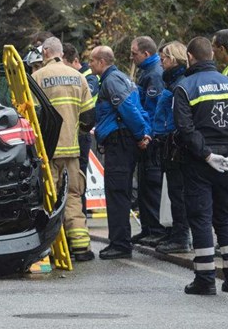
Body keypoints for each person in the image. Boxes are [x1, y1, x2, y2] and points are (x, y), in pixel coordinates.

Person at [173, 37, 228, 295]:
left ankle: (205, 279)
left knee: (200, 219)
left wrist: (206, 155)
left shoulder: (185, 87)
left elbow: (185, 128)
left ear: (190, 57)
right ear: (212, 56)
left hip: (199, 162)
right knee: (225, 220)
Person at [32, 37, 96, 261]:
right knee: (72, 197)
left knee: (47, 199)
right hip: (72, 151)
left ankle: (51, 250)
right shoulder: (78, 77)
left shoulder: (37, 77)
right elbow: (89, 117)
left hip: (47, 152)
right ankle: (81, 247)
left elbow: (30, 115)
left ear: (47, 52)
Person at [89, 46, 151, 260]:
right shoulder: (123, 78)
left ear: (102, 61)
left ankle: (120, 244)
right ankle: (120, 241)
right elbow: (139, 108)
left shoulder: (111, 81)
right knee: (121, 191)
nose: (89, 64)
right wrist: (145, 132)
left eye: (92, 61)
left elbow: (128, 109)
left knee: (116, 193)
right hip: (124, 139)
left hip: (120, 141)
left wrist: (140, 133)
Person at [151, 41, 192, 254]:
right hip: (168, 142)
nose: (161, 63)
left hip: (174, 145)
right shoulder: (174, 82)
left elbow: (177, 118)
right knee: (176, 192)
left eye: (164, 59)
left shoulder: (179, 84)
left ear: (173, 59)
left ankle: (181, 236)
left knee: (178, 193)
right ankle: (178, 233)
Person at [130, 36, 167, 247]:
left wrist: (148, 135)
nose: (131, 57)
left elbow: (154, 110)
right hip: (147, 137)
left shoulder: (154, 74)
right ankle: (147, 228)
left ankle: (156, 229)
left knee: (152, 185)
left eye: (134, 53)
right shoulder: (147, 72)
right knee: (144, 185)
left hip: (152, 139)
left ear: (146, 53)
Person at [63, 43, 99, 212]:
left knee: (78, 179)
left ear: (74, 61)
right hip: (71, 134)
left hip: (82, 133)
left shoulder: (89, 78)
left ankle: (80, 214)